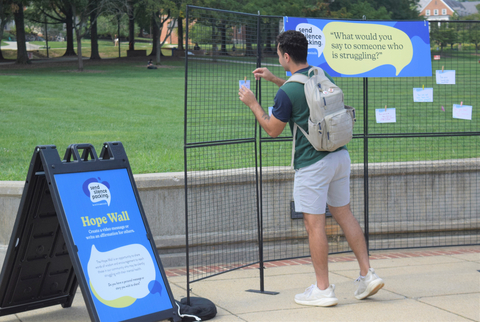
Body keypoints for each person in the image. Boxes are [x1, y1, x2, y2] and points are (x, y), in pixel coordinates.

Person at [238, 30, 384, 307]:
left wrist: (253, 103)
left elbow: (271, 129)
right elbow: (301, 92)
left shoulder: (286, 92)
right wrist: (273, 79)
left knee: (314, 225)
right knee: (345, 215)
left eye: (279, 52)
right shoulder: (318, 75)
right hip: (339, 157)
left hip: (312, 164)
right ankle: (368, 274)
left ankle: (323, 290)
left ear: (286, 56)